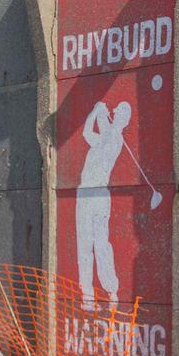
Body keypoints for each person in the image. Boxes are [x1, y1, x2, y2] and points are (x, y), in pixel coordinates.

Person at [75, 99, 130, 312]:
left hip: (98, 195)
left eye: (120, 115)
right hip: (84, 193)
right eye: (116, 112)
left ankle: (111, 290)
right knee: (84, 246)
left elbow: (105, 131)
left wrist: (99, 111)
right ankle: (87, 297)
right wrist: (94, 110)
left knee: (101, 245)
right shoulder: (101, 140)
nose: (115, 115)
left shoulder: (114, 138)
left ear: (124, 120)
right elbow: (86, 133)